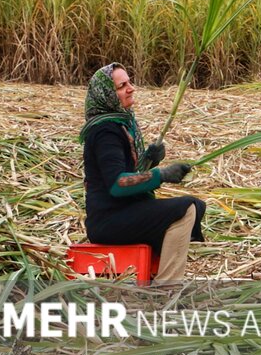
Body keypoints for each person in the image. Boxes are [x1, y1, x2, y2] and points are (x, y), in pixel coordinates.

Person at [79, 63, 205, 285]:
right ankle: (166, 286)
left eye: (129, 82)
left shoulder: (121, 124)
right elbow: (118, 185)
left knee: (196, 206)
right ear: (106, 94)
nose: (130, 88)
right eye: (122, 86)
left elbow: (129, 176)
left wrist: (149, 159)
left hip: (123, 212)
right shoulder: (105, 131)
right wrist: (161, 174)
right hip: (109, 220)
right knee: (186, 207)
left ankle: (157, 273)